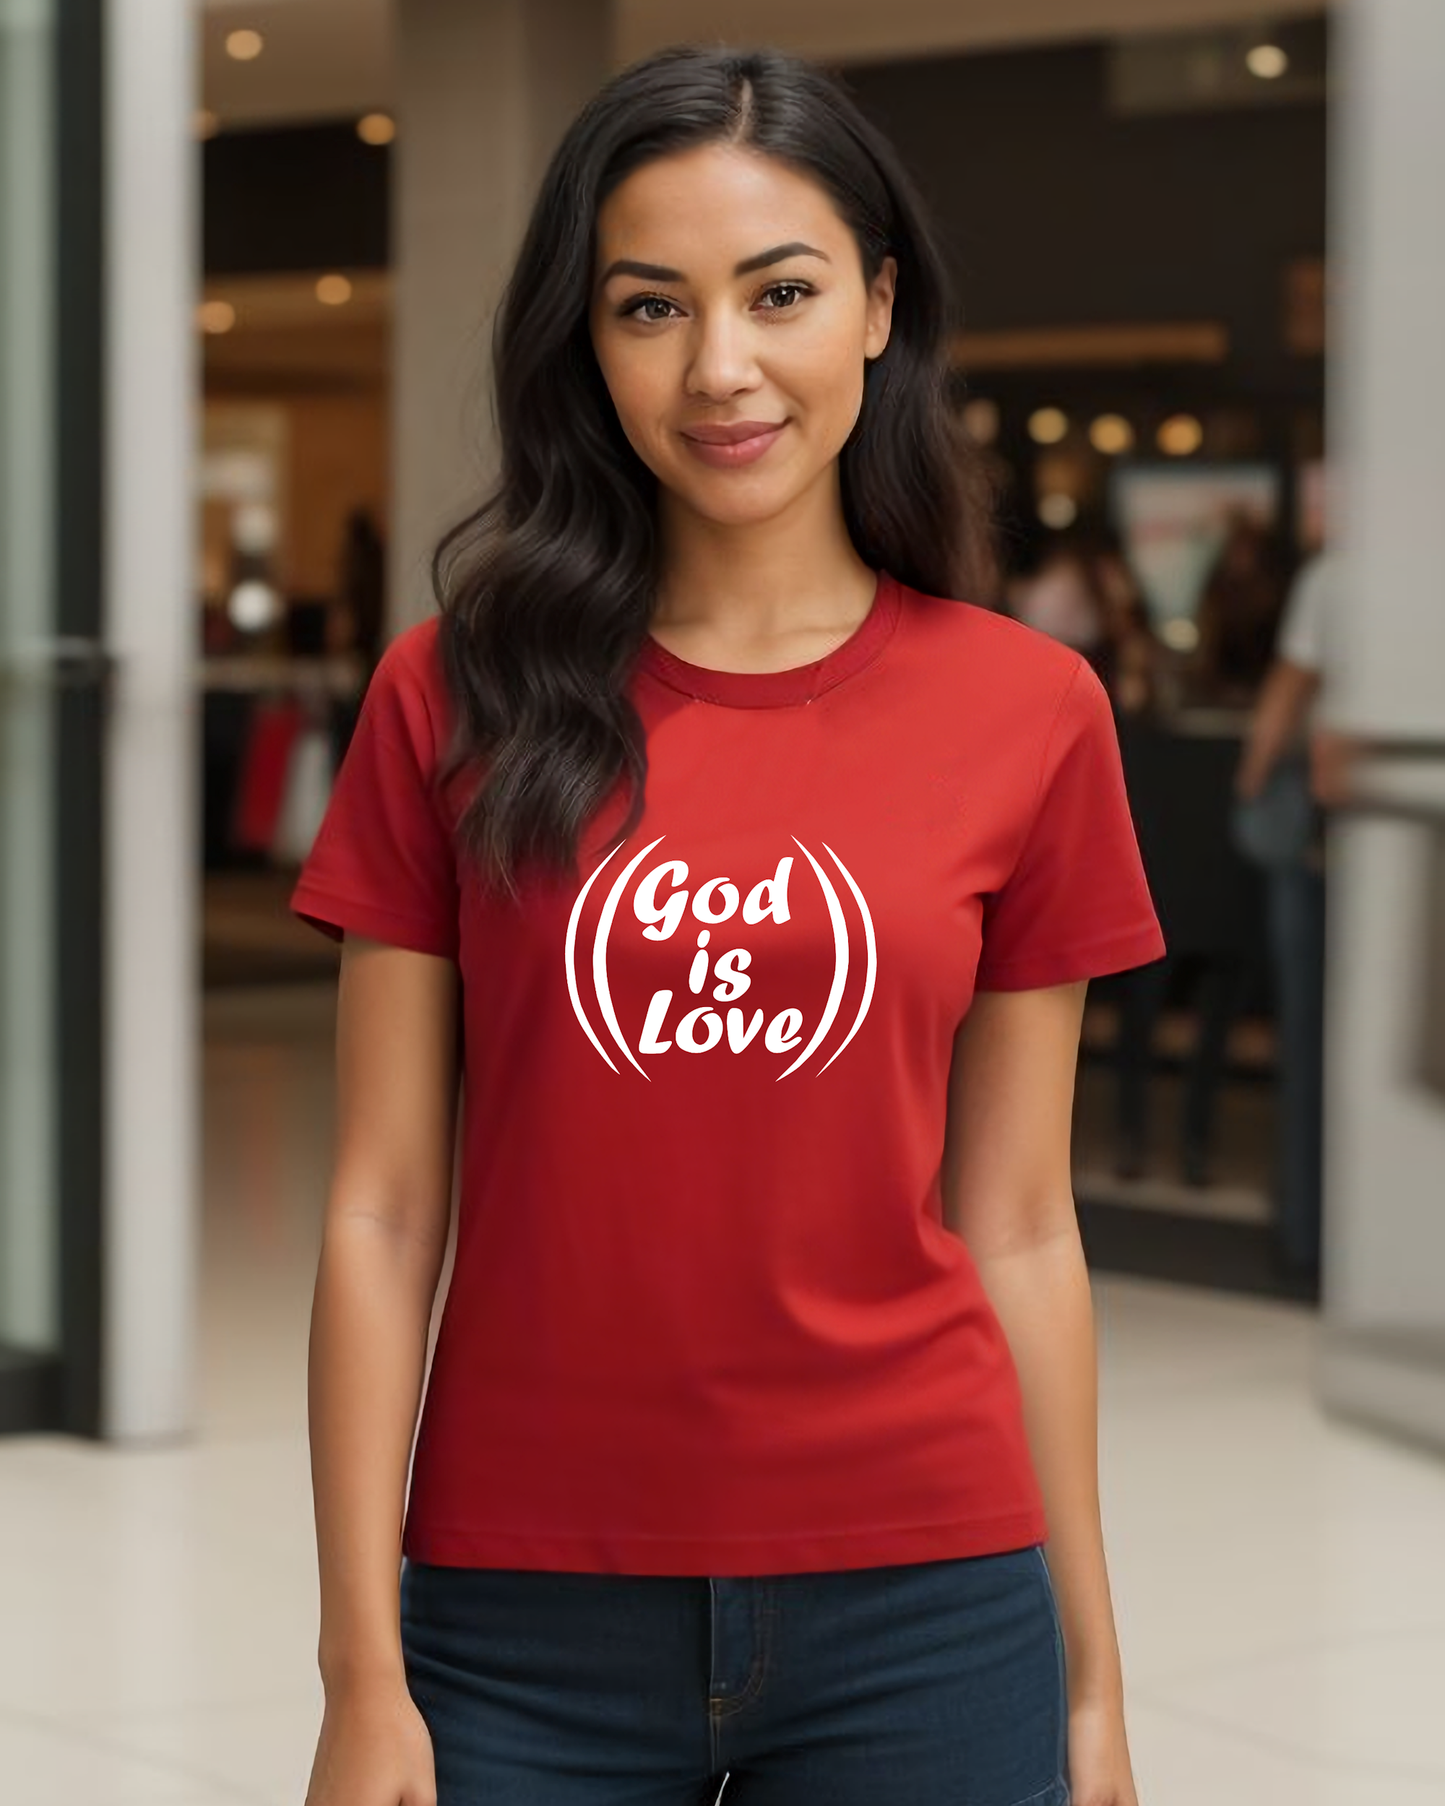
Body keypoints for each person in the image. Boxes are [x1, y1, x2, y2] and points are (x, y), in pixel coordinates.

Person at [291, 45, 1166, 1806]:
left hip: (926, 1595)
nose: (720, 369)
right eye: (648, 306)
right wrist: (359, 1669)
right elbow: (385, 1207)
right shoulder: (451, 695)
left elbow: (1019, 1226)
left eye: (780, 292)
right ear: (581, 340)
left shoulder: (1030, 710)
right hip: (516, 1611)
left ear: (877, 309)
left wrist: (1089, 1683)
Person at [1234, 546, 1351, 1279]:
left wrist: (1250, 785)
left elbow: (1288, 688)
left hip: (1324, 829)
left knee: (1310, 1034)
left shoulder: (1338, 574)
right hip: (1394, 836)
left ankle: (1308, 1232)